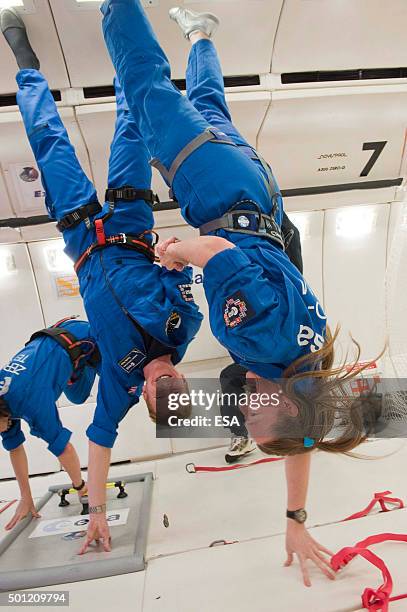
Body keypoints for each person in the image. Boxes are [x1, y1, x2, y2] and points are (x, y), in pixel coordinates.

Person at [100, 1, 374, 584]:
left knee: (208, 105)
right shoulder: (257, 339)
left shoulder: (306, 362)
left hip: (260, 190)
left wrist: (295, 516)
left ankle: (201, 34)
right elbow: (219, 254)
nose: (244, 414)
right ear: (278, 403)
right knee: (145, 88)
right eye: (255, 419)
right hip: (219, 190)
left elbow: (301, 440)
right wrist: (176, 252)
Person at [1, 7, 203, 552]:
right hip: (130, 219)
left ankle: (19, 47)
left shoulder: (121, 382)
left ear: (146, 394)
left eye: (160, 389)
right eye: (175, 382)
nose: (166, 377)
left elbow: (98, 442)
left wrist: (96, 513)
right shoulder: (185, 325)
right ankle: (116, 25)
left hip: (81, 239)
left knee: (46, 137)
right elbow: (185, 263)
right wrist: (175, 255)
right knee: (132, 120)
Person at [0, 317, 100, 531]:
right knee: (78, 396)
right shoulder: (3, 404)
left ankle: (93, 359)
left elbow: (63, 448)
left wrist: (80, 487)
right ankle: (79, 365)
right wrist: (26, 497)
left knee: (120, 380)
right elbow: (14, 448)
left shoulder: (31, 403)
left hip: (82, 338)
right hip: (58, 338)